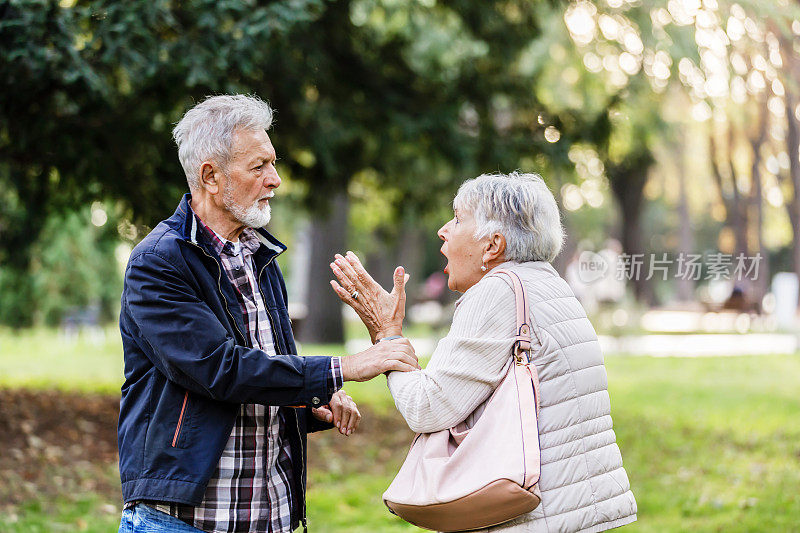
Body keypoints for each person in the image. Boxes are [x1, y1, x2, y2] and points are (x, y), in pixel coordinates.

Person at [117, 94, 419, 533]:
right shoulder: (159, 262)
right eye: (258, 167)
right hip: (186, 521)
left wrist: (311, 402)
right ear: (211, 177)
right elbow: (220, 370)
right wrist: (343, 368)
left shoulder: (260, 256)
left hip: (269, 518)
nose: (275, 179)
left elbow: (263, 376)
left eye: (272, 164)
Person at [330, 172, 637, 532]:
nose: (443, 230)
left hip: (531, 518)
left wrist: (387, 337)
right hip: (577, 507)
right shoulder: (549, 283)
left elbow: (428, 408)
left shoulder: (497, 292)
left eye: (458, 219)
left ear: (493, 245)